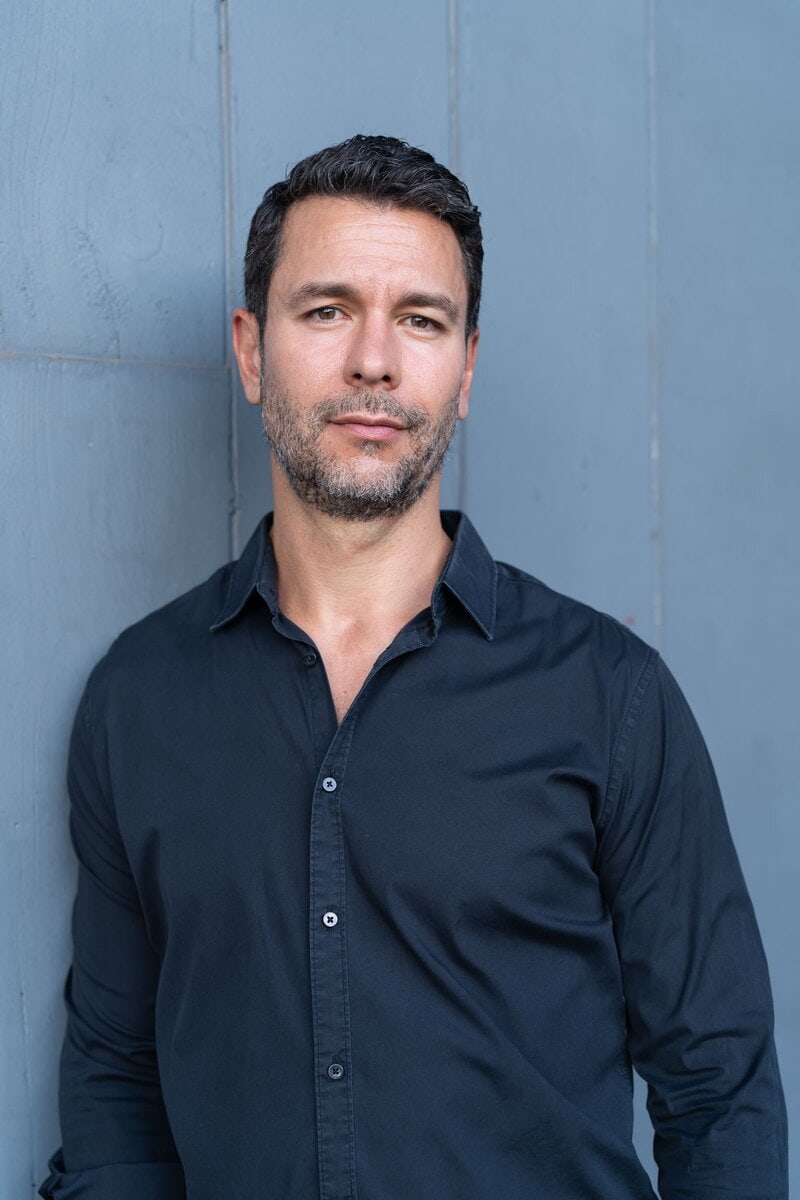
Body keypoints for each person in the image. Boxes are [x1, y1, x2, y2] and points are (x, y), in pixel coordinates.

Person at [41, 135, 787, 1200]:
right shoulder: (139, 700)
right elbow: (115, 1087)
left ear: (465, 369)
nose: (374, 363)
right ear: (251, 352)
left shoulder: (609, 698)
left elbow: (719, 1093)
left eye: (421, 321)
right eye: (326, 310)